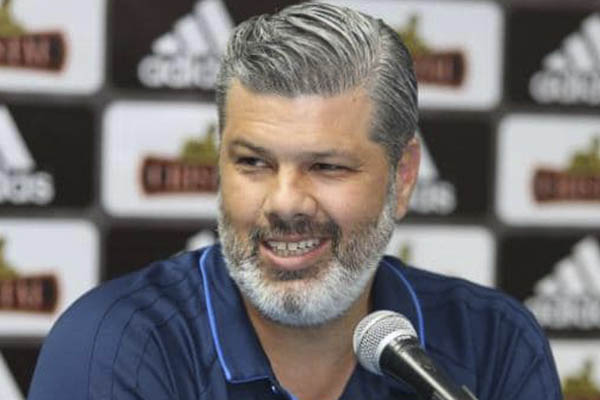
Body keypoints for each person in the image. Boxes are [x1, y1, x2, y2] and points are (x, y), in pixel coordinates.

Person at [28, 3, 561, 400]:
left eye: (327, 167)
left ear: (402, 178)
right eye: (253, 163)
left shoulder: (493, 344)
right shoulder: (114, 345)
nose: (285, 203)